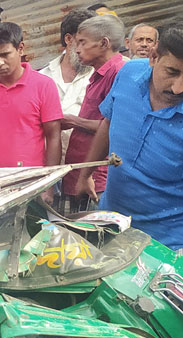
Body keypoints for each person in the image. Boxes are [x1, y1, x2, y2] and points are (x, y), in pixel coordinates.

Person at [73, 12, 183, 289]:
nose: (178, 87)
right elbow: (109, 121)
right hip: (113, 225)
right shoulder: (128, 74)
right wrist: (86, 173)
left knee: (156, 315)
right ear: (154, 56)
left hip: (171, 243)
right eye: (172, 72)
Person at [0, 22, 63, 201]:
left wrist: (48, 186)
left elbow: (53, 136)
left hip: (31, 181)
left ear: (20, 49)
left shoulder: (44, 85)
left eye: (5, 55)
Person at [61, 15, 126, 212]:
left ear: (104, 43)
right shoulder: (98, 74)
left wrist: (74, 121)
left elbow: (117, 126)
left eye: (82, 42)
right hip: (81, 173)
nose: (77, 49)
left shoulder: (119, 73)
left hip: (98, 177)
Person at [40, 8, 97, 164]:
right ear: (68, 39)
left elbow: (112, 126)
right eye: (83, 41)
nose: (90, 48)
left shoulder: (100, 78)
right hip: (45, 167)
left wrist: (76, 122)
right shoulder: (43, 77)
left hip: (85, 167)